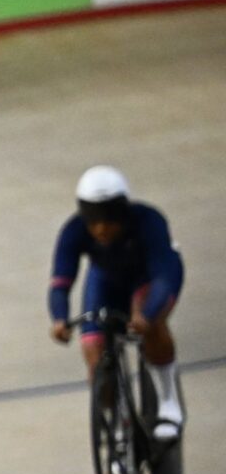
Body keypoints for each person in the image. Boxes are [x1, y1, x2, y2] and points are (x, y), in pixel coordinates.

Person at [49, 166, 185, 439]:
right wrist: (59, 319)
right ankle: (117, 417)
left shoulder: (148, 221)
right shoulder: (74, 231)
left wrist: (147, 315)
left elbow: (165, 276)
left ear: (123, 211)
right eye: (94, 220)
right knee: (94, 353)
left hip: (148, 278)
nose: (101, 228)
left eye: (109, 220)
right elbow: (60, 283)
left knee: (151, 324)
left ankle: (169, 401)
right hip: (106, 282)